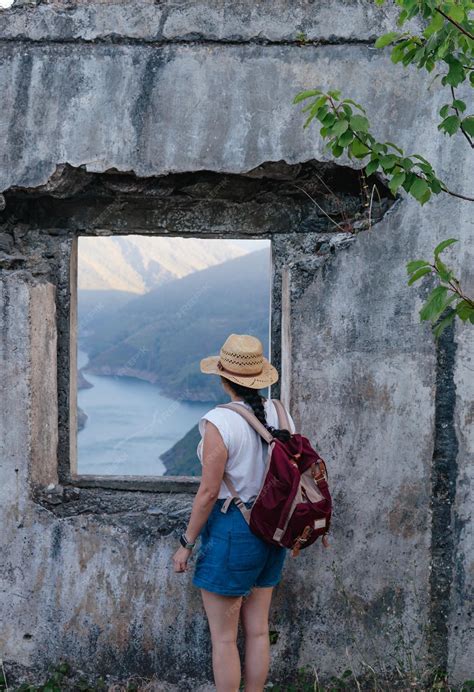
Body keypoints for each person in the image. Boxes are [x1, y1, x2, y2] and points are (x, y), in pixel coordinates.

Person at [172, 333, 296, 692]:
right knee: (258, 629)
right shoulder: (280, 412)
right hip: (274, 530)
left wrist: (187, 542)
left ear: (224, 378)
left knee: (224, 639)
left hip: (234, 530)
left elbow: (209, 491)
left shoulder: (219, 422)